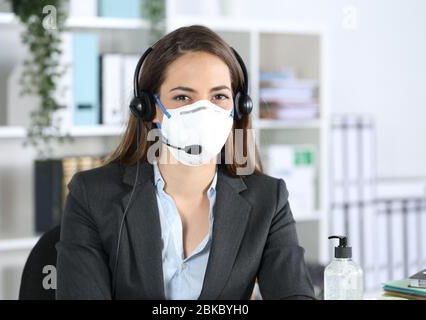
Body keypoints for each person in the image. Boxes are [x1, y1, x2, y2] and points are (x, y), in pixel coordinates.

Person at [56, 25, 315, 300]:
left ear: (238, 108)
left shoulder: (268, 199)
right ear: (150, 108)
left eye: (219, 97)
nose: (204, 112)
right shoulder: (91, 194)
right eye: (182, 97)